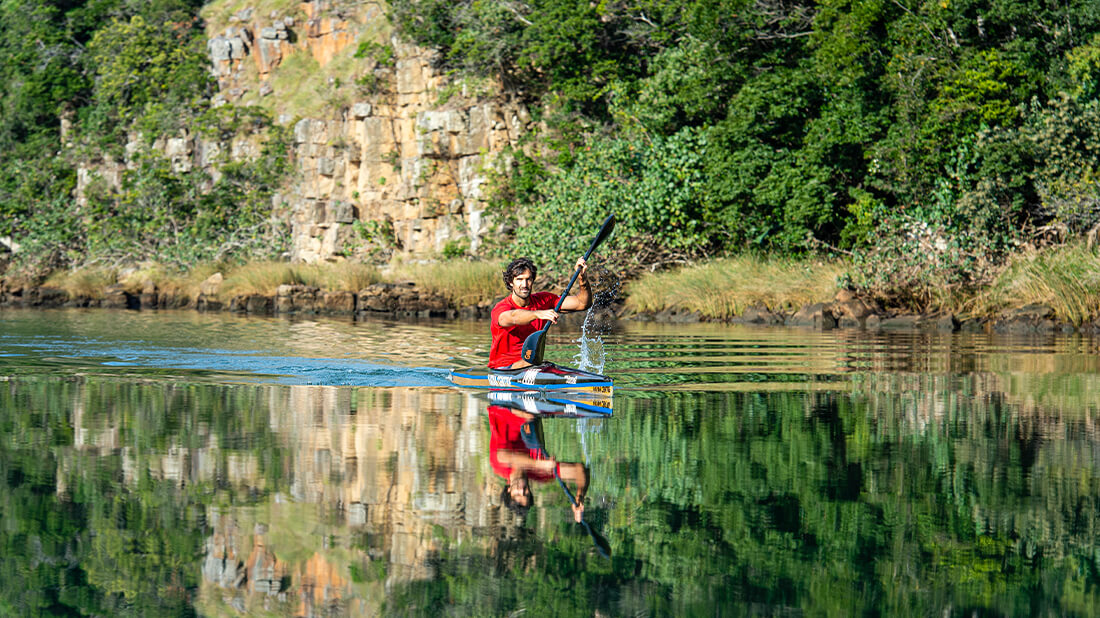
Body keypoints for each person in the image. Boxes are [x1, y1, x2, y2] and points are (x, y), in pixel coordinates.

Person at [487, 405, 589, 522]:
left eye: (517, 494)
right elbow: (579, 471)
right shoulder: (540, 474)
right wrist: (580, 495)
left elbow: (504, 456)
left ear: (509, 490)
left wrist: (537, 464)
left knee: (530, 415)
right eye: (526, 494)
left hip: (504, 408)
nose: (522, 490)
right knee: (534, 414)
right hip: (532, 411)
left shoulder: (499, 467)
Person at [489, 257, 591, 369]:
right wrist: (537, 314)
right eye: (519, 279)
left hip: (532, 366)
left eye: (528, 279)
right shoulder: (502, 308)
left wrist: (582, 278)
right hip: (503, 368)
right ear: (510, 282)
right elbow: (511, 317)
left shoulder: (543, 300)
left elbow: (582, 303)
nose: (524, 284)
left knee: (544, 365)